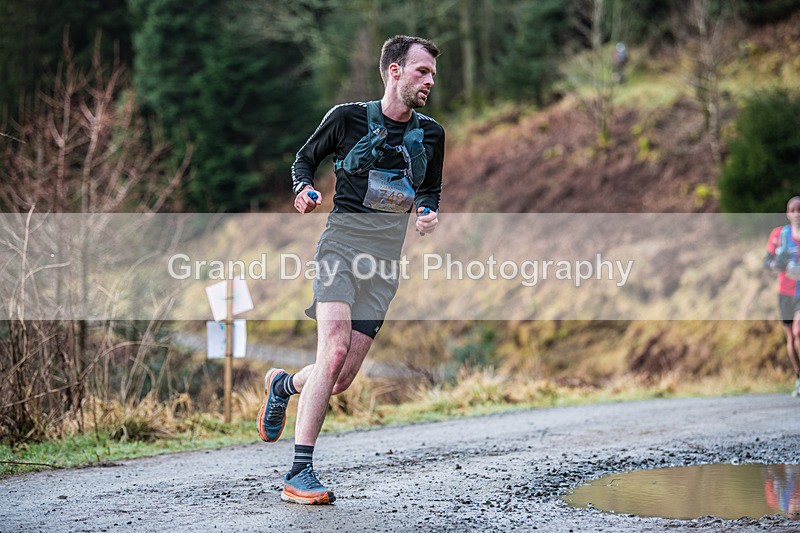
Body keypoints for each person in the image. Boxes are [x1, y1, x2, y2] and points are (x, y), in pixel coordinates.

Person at [256, 35, 444, 504]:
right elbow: (304, 161)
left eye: (433, 75)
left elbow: (430, 190)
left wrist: (426, 212)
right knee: (333, 348)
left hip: (383, 266)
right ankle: (299, 472)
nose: (430, 81)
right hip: (340, 247)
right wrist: (302, 190)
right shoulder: (347, 118)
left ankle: (284, 384)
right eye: (422, 72)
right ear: (394, 71)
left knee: (338, 378)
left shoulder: (433, 134)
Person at [764, 196, 800, 397]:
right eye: (793, 210)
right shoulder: (779, 235)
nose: (797, 214)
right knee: (790, 337)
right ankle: (798, 376)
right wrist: (776, 264)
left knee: (798, 330)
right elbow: (767, 261)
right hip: (785, 292)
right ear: (787, 213)